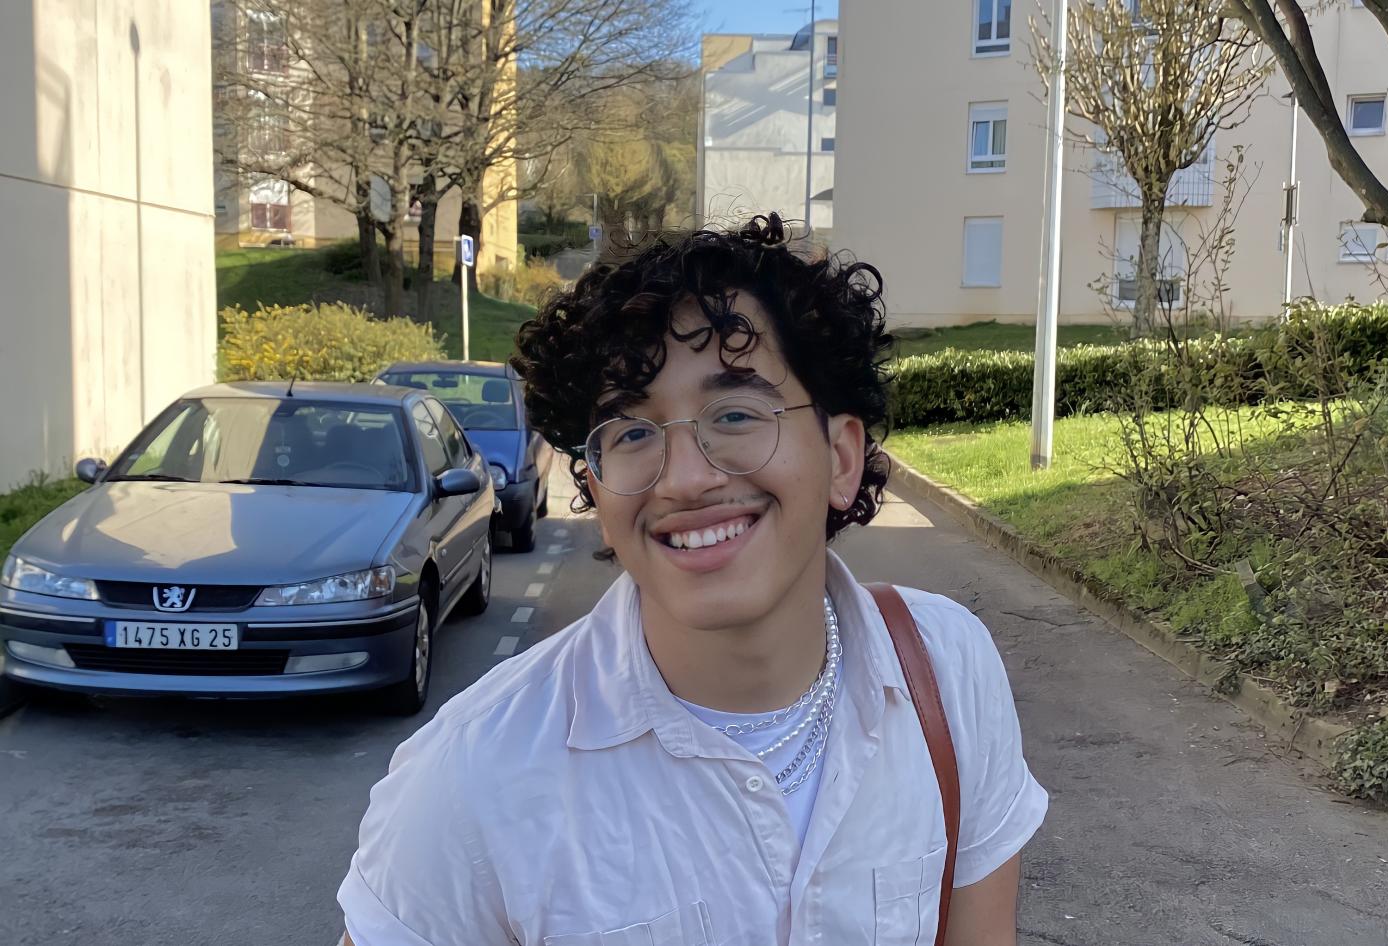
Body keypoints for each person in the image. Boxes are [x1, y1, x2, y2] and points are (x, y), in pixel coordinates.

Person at [338, 214, 1048, 945]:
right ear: (596, 490)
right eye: (632, 433)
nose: (684, 479)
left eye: (735, 413)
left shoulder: (947, 671)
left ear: (840, 459)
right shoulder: (472, 777)